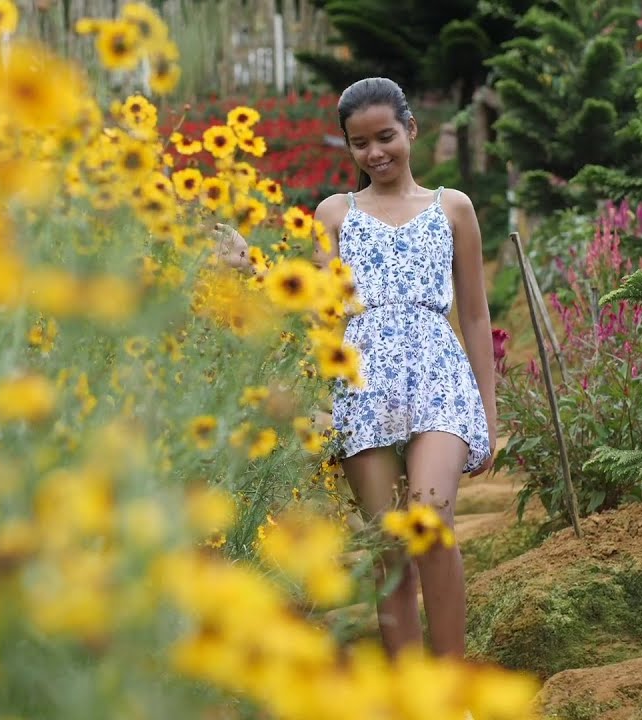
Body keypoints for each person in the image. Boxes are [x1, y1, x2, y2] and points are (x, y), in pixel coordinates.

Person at [215, 77, 499, 663]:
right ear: (348, 147)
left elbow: (473, 314)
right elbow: (319, 312)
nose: (376, 153)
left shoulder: (453, 208)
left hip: (438, 380)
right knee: (388, 543)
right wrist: (255, 274)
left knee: (430, 522)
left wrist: (488, 418)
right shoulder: (335, 213)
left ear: (411, 130)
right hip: (363, 385)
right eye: (360, 143)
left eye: (387, 137)